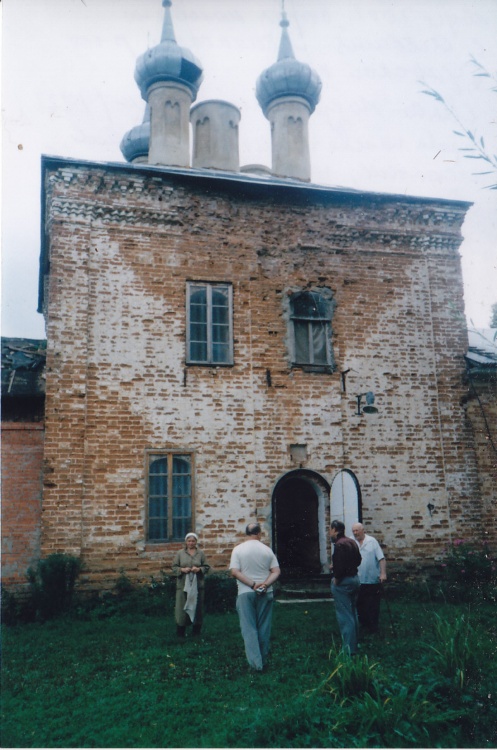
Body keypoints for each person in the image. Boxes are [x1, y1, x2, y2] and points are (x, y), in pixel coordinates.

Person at [229, 522, 281, 672]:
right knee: (264, 626)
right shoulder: (267, 550)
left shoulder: (238, 550)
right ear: (259, 534)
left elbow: (235, 572)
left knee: (249, 628)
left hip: (245, 592)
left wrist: (252, 584)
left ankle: (256, 664)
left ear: (246, 534)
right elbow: (276, 571)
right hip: (266, 592)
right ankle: (262, 659)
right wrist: (264, 584)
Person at [330, 519, 362, 656]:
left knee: (345, 616)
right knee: (353, 613)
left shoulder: (339, 545)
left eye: (330, 530)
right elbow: (358, 560)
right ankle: (355, 644)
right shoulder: (351, 542)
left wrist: (336, 579)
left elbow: (340, 566)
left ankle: (348, 650)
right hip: (355, 579)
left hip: (343, 582)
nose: (329, 533)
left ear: (335, 530)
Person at [172, 533, 210, 637]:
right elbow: (174, 568)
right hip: (183, 585)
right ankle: (181, 631)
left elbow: (206, 567)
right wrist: (182, 570)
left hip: (197, 586)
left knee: (197, 607)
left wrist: (199, 569)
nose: (191, 543)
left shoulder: (200, 554)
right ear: (186, 542)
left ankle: (196, 631)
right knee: (182, 607)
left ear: (196, 542)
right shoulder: (180, 553)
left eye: (193, 541)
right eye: (189, 541)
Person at [351, 522, 387, 633]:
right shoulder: (353, 543)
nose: (355, 533)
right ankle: (363, 625)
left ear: (363, 530)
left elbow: (381, 559)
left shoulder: (372, 541)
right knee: (360, 604)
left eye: (357, 530)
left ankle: (373, 627)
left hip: (372, 580)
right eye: (354, 531)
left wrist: (383, 573)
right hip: (358, 580)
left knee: (373, 605)